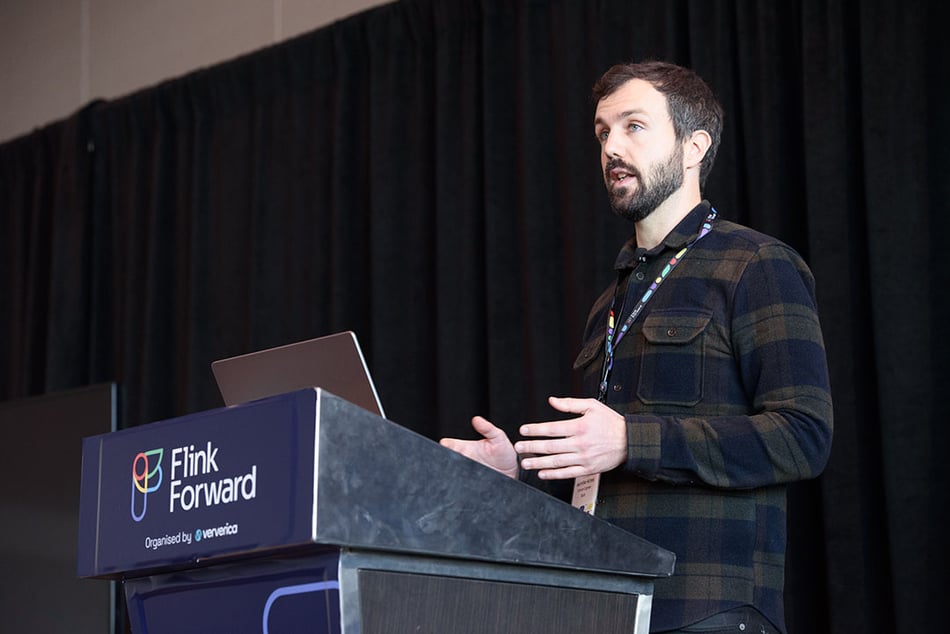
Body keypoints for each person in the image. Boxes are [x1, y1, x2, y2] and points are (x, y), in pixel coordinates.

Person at [440, 61, 833, 634]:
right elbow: (603, 468)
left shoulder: (756, 265)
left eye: (633, 126)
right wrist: (520, 470)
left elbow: (804, 436)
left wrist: (631, 439)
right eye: (602, 132)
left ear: (694, 146)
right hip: (605, 607)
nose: (611, 147)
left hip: (706, 610)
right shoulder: (612, 300)